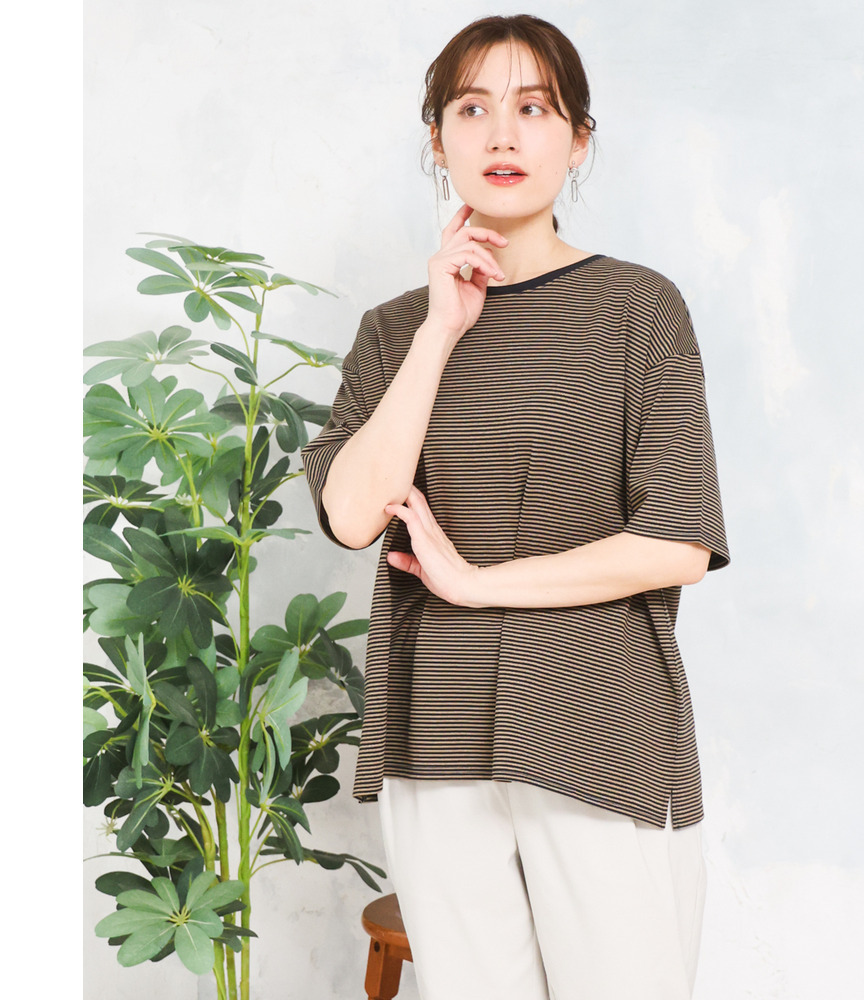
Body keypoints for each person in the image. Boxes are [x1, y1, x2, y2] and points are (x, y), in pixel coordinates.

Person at [302, 14, 729, 1000]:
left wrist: (478, 581)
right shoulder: (394, 331)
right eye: (472, 109)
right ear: (437, 138)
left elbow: (678, 542)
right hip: (436, 736)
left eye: (533, 108)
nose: (502, 134)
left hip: (596, 726)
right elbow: (353, 513)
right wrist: (441, 329)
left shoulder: (639, 309)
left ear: (578, 140)